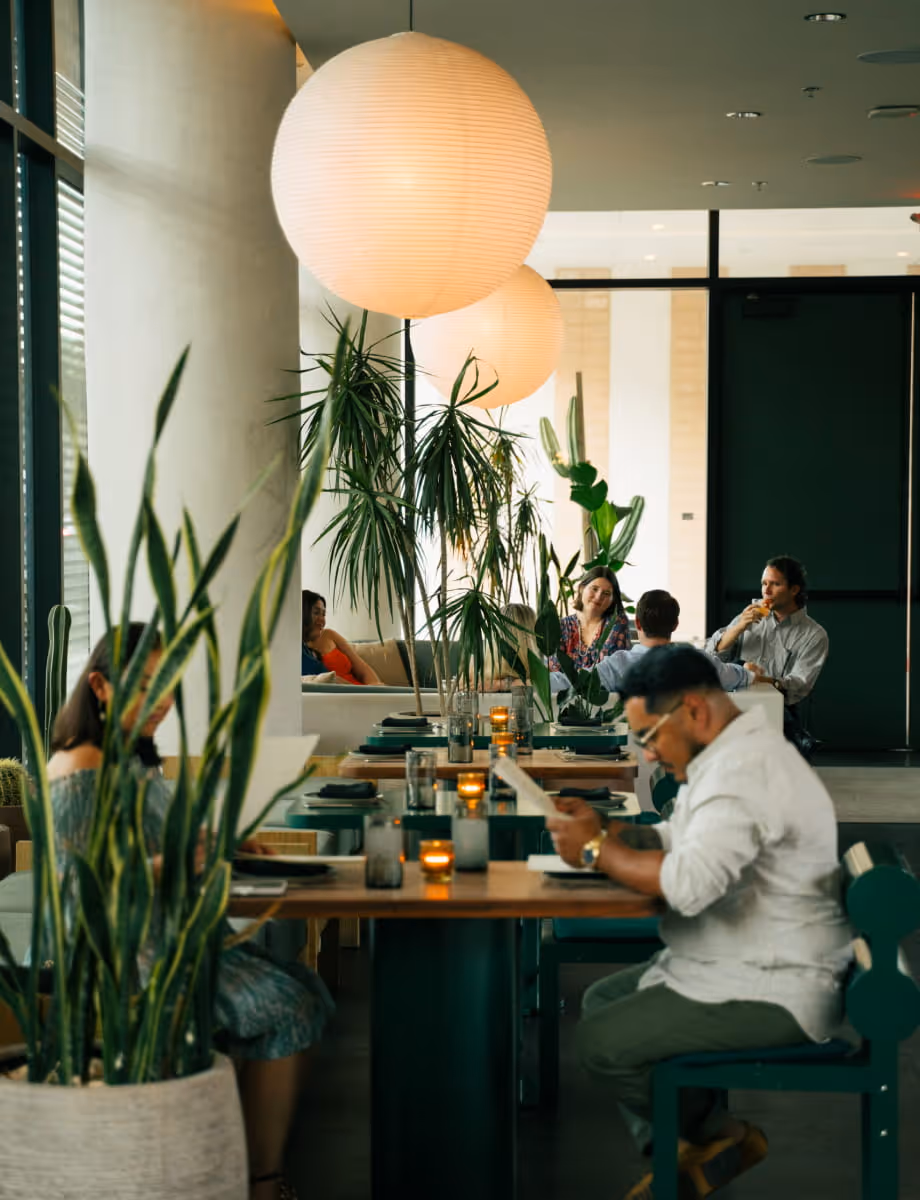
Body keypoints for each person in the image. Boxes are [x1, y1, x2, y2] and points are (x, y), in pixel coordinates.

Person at [547, 645, 851, 1200]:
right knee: (600, 1001)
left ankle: (713, 1139)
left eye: (649, 737)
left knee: (601, 1042)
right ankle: (690, 1152)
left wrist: (594, 850)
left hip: (776, 985)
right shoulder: (731, 756)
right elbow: (681, 839)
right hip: (748, 954)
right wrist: (610, 833)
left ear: (694, 709)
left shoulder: (742, 773)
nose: (649, 754)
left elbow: (687, 884)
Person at [49, 624, 333, 1200]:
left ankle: (237, 1158)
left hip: (172, 932)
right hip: (135, 953)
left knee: (304, 993)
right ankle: (259, 1178)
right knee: (290, 1004)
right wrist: (173, 861)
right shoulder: (81, 769)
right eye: (145, 685)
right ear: (100, 686)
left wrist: (226, 845)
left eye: (168, 684)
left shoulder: (127, 757)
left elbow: (156, 842)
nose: (161, 701)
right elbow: (91, 889)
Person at [550, 589, 752, 695]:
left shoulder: (618, 665)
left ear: (637, 622)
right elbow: (740, 677)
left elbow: (572, 682)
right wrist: (753, 673)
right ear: (675, 625)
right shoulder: (699, 662)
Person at [706, 555, 828, 706]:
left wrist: (752, 679)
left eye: (775, 584)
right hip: (733, 707)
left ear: (794, 589)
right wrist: (738, 628)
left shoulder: (814, 635)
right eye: (764, 584)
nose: (766, 591)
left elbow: (799, 685)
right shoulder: (747, 617)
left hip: (779, 712)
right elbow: (712, 657)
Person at [548, 566, 630, 673]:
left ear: (612, 599)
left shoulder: (616, 624)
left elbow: (610, 671)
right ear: (582, 588)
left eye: (606, 593)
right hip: (562, 689)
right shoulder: (561, 626)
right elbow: (555, 669)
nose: (598, 596)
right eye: (594, 589)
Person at [302, 590, 382, 685]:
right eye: (316, 613)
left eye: (323, 614)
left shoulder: (328, 635)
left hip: (363, 691)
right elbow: (331, 681)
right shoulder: (299, 651)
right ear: (303, 613)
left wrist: (376, 687)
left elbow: (362, 668)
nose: (322, 620)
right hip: (349, 694)